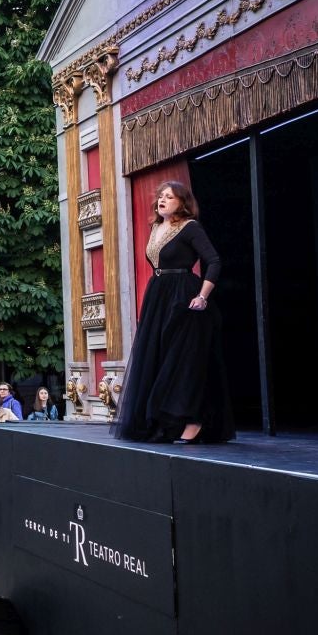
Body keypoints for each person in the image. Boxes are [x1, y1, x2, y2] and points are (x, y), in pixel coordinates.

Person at [116, 181, 231, 445]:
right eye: (161, 196)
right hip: (158, 295)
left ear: (182, 202)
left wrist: (202, 296)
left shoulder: (190, 227)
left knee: (183, 362)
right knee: (157, 358)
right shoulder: (156, 227)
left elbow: (213, 261)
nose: (162, 200)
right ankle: (165, 423)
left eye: (169, 196)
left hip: (183, 297)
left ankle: (194, 421)